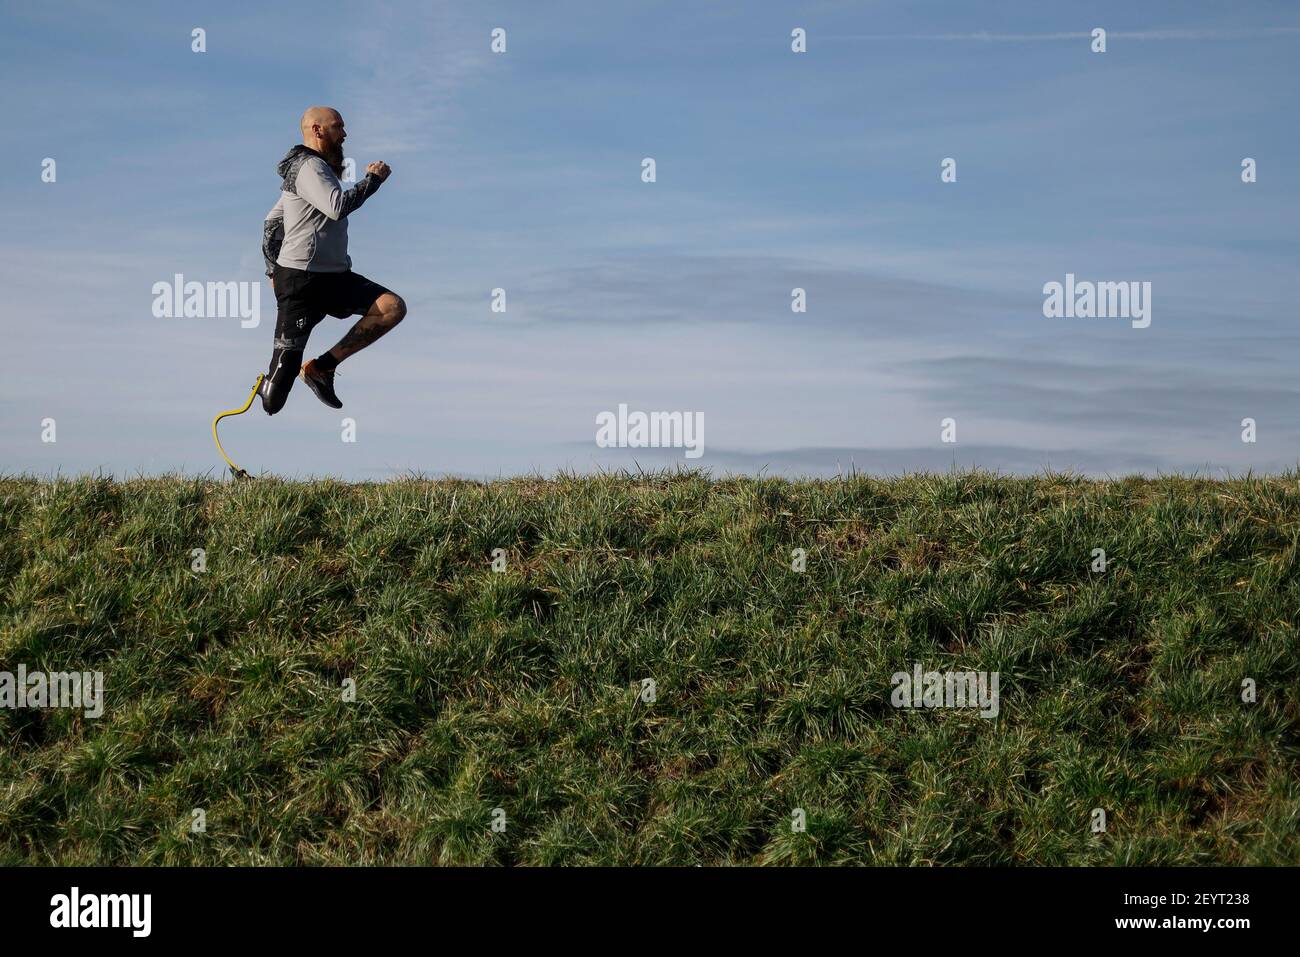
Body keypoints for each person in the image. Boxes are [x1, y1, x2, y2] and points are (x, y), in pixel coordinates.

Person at [259, 106, 406, 414]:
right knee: (275, 399)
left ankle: (321, 369)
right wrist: (373, 180)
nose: (345, 134)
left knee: (391, 308)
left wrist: (272, 267)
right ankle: (270, 383)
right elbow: (336, 207)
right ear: (317, 130)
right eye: (338, 126)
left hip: (335, 278)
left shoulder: (319, 170)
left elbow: (272, 221)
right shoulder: (307, 166)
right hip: (301, 283)